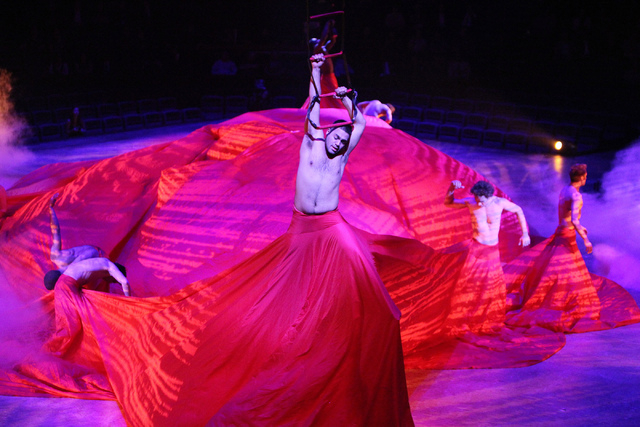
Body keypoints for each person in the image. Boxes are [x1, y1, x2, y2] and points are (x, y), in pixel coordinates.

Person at [504, 164, 603, 332]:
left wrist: (579, 227)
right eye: (585, 176)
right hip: (567, 235)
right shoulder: (577, 195)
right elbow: (574, 219)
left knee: (558, 268)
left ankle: (555, 298)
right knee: (566, 269)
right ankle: (561, 302)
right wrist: (586, 239)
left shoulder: (565, 190)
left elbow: (566, 214)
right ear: (583, 177)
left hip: (561, 231)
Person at [438, 179, 530, 335]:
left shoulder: (499, 202)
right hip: (476, 249)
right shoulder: (471, 202)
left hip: (492, 250)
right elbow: (449, 203)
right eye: (477, 199)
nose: (479, 203)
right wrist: (451, 188)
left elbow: (518, 210)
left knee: (491, 284)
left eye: (482, 201)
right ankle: (468, 315)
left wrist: (525, 233)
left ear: (489, 196)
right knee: (471, 283)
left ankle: (487, 315)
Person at [44, 193, 127, 293]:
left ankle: (116, 277)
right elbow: (55, 231)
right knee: (102, 278)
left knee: (99, 282)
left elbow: (56, 231)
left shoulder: (71, 271)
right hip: (93, 253)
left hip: (97, 256)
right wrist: (51, 209)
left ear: (59, 282)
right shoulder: (56, 256)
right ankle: (116, 276)